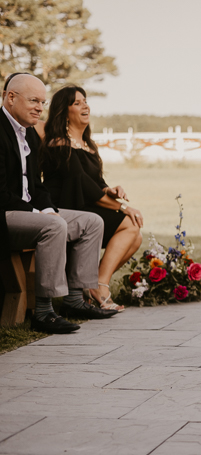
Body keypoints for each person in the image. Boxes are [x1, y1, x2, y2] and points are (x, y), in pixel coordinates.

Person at [1, 73, 117, 333]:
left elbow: (37, 187)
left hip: (29, 212)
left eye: (42, 102)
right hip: (6, 213)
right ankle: (43, 312)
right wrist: (41, 215)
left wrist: (49, 210)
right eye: (34, 101)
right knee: (54, 227)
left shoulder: (29, 134)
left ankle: (76, 299)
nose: (40, 108)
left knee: (91, 221)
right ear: (10, 98)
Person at [41, 86, 144, 312]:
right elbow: (83, 185)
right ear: (64, 112)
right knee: (128, 223)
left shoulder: (88, 145)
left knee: (135, 234)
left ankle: (94, 283)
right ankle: (98, 286)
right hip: (66, 208)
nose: (85, 105)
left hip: (88, 205)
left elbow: (95, 183)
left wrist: (110, 189)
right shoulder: (59, 143)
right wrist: (124, 207)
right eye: (77, 103)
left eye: (85, 101)